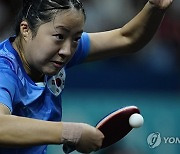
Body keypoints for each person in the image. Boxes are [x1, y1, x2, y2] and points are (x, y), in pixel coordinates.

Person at [0, 0, 173, 153]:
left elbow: (127, 38)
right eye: (59, 36)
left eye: (76, 39)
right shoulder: (5, 69)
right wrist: (71, 133)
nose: (67, 51)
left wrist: (154, 7)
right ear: (26, 29)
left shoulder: (55, 53)